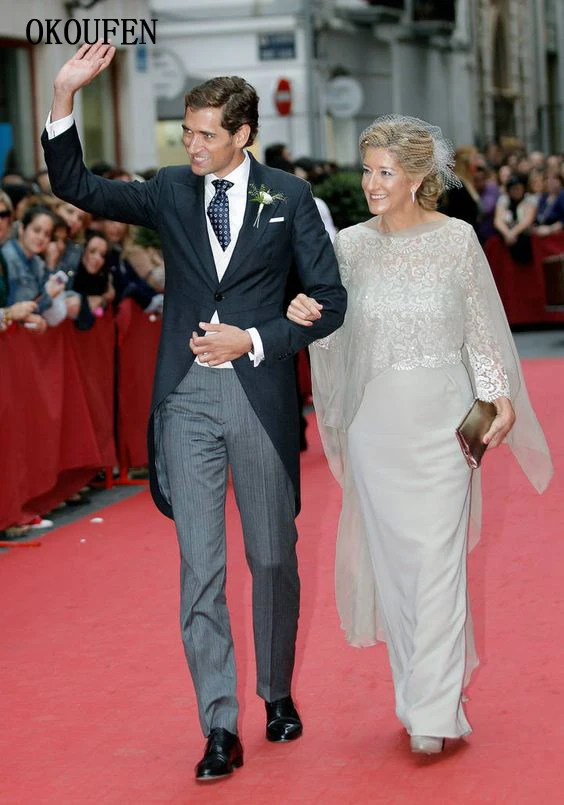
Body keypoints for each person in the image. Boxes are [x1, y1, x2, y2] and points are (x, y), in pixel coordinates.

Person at [42, 41, 346, 781]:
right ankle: (219, 723)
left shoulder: (290, 198)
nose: (193, 145)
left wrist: (259, 337)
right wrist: (64, 95)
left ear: (244, 134)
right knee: (200, 566)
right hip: (184, 400)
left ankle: (276, 690)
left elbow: (330, 300)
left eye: (207, 133)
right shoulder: (171, 189)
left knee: (271, 556)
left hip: (259, 392)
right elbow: (77, 184)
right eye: (187, 131)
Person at [286, 115, 552, 756]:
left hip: (443, 426)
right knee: (399, 570)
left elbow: (481, 331)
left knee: (437, 564)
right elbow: (335, 333)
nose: (371, 183)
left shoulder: (457, 240)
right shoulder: (349, 246)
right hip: (375, 429)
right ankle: (417, 693)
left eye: (385, 172)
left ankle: (433, 707)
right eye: (367, 170)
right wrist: (304, 314)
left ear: (417, 177)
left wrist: (497, 392)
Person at [493, 173, 537, 264]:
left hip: (524, 238)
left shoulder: (530, 199)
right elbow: (498, 221)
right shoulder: (504, 199)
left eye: (518, 188)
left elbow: (527, 220)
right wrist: (507, 234)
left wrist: (513, 233)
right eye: (513, 189)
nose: (516, 191)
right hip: (506, 238)